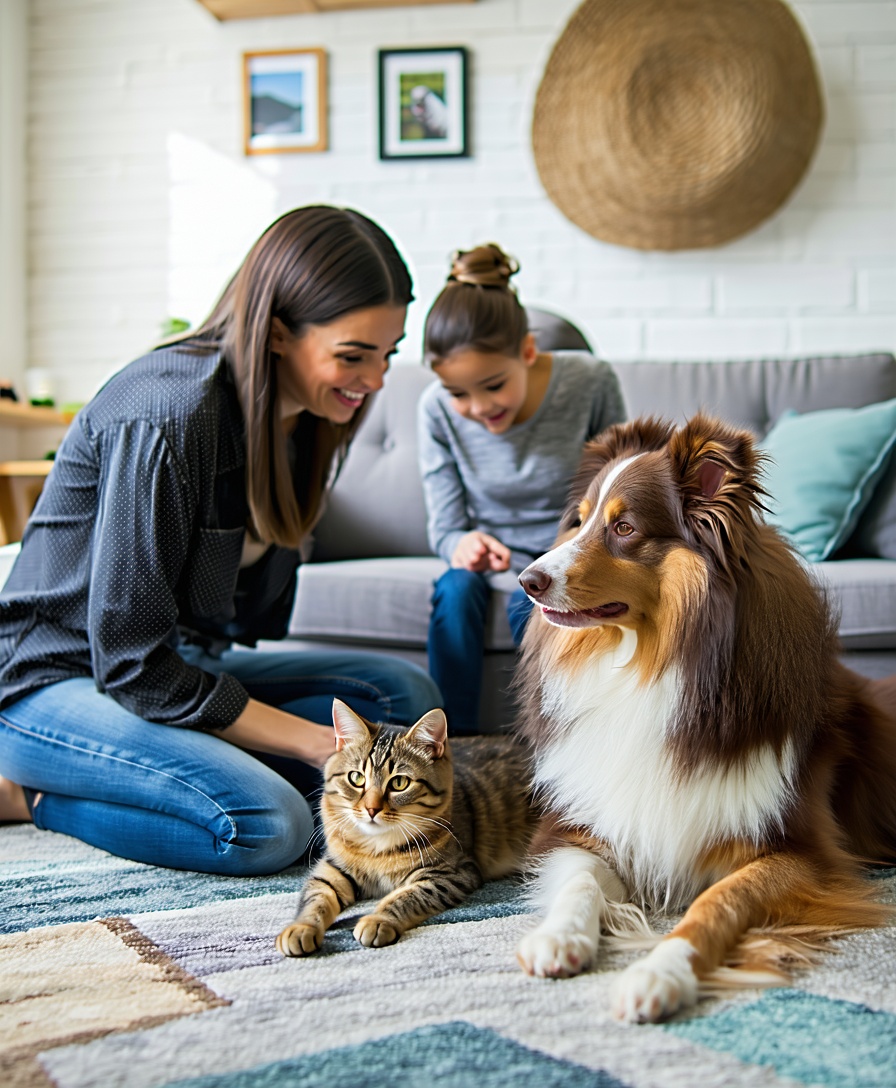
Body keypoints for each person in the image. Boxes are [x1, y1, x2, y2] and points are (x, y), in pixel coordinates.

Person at [0, 205, 443, 875]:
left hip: (176, 666)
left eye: (388, 353)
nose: (377, 380)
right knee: (265, 823)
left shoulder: (306, 419)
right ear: (273, 334)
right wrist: (311, 744)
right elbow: (131, 665)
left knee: (401, 699)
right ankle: (26, 794)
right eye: (353, 356)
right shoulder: (168, 415)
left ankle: (177, 776)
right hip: (54, 680)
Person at [418, 244, 626, 733]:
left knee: (530, 602)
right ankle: (452, 752)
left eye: (492, 385)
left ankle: (544, 749)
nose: (475, 407)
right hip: (489, 561)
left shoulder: (590, 383)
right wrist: (461, 544)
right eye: (457, 393)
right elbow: (445, 528)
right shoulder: (434, 409)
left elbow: (619, 488)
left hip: (568, 551)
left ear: (528, 353)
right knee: (453, 591)